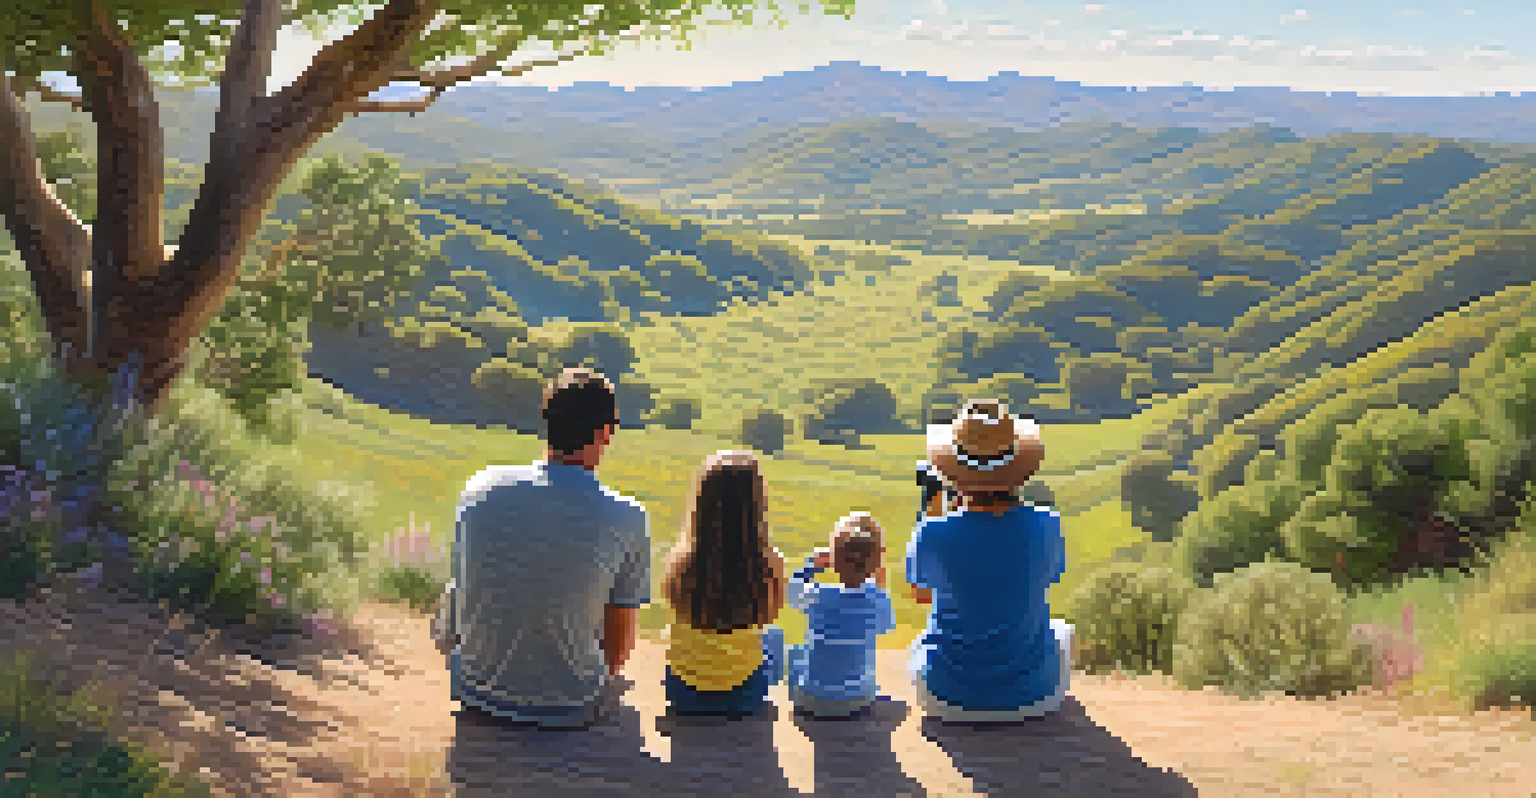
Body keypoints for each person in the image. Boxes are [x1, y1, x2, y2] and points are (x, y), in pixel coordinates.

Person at [431, 368, 650, 729]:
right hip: (569, 705)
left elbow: (460, 595)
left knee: (458, 586)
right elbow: (619, 652)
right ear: (606, 433)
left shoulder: (481, 486)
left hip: (473, 690)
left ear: (546, 421)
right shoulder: (627, 516)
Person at [906, 399, 1074, 722]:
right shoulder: (1048, 524)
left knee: (920, 643)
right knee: (1062, 630)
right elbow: (1044, 579)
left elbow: (922, 595)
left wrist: (932, 514)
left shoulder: (933, 531)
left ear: (952, 474)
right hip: (1034, 699)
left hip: (944, 697)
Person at [661, 451, 787, 718]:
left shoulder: (680, 561)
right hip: (743, 697)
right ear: (757, 506)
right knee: (775, 637)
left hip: (681, 693)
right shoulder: (769, 562)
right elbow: (771, 615)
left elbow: (672, 605)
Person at [785, 511, 897, 719]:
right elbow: (885, 627)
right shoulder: (877, 599)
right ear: (875, 566)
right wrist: (880, 585)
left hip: (810, 699)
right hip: (858, 700)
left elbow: (791, 592)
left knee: (794, 652)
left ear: (833, 562)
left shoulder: (819, 595)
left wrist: (812, 565)